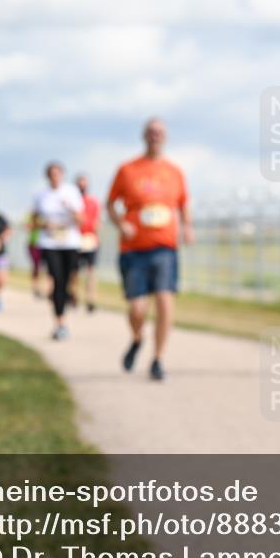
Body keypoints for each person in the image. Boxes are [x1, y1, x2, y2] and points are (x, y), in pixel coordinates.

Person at [106, 118, 192, 381]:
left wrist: (187, 226)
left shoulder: (174, 171)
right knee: (137, 308)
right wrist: (122, 224)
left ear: (165, 137)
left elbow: (183, 203)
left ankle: (158, 358)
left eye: (160, 132)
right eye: (151, 132)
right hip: (133, 249)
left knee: (165, 302)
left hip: (165, 247)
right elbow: (110, 205)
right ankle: (136, 337)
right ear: (144, 136)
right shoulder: (127, 169)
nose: (155, 136)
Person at [33, 161, 84, 340]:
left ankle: (68, 297)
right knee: (56, 280)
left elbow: (81, 219)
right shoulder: (41, 196)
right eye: (51, 174)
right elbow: (34, 220)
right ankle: (60, 323)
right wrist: (45, 224)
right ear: (47, 176)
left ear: (62, 175)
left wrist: (69, 208)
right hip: (50, 243)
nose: (55, 177)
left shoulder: (71, 192)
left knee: (69, 280)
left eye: (58, 173)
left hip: (69, 242)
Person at [74, 173, 101, 313]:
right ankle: (75, 297)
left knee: (91, 271)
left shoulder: (93, 201)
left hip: (90, 239)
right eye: (80, 183)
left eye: (84, 183)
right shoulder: (73, 201)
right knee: (75, 272)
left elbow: (96, 221)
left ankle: (90, 299)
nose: (82, 186)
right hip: (75, 239)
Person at [26, 211, 44, 299]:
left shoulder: (47, 213)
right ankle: (35, 288)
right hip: (34, 244)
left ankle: (50, 289)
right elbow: (27, 227)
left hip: (45, 244)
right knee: (36, 267)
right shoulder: (32, 214)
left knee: (49, 268)